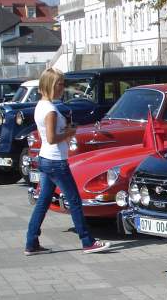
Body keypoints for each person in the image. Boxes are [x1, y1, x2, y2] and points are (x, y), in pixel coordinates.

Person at [24, 68, 111, 255]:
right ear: (50, 86)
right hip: (56, 160)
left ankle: (31, 242)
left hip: (46, 159)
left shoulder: (41, 105)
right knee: (74, 200)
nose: (62, 88)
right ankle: (87, 241)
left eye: (62, 84)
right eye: (59, 84)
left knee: (43, 201)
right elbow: (52, 137)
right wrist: (70, 132)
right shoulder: (50, 111)